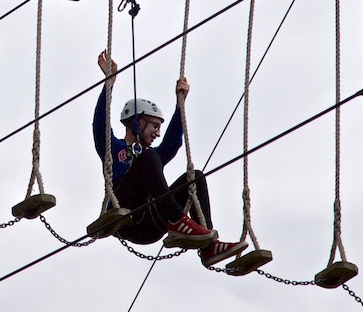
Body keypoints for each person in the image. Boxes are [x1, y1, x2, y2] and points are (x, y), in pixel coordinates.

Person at [93, 50, 248, 266]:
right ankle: (178, 220)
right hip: (127, 218)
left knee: (195, 176)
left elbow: (172, 144)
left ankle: (209, 246)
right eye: (154, 126)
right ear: (136, 123)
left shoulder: (152, 157)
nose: (157, 132)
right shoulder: (115, 149)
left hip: (151, 222)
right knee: (148, 157)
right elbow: (100, 126)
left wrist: (180, 105)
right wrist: (109, 83)